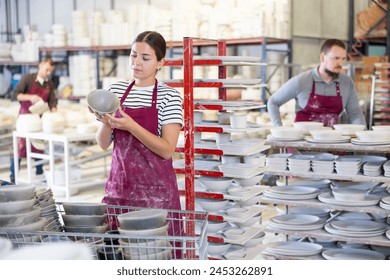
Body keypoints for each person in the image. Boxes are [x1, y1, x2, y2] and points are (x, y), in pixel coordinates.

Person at [94, 31, 183, 248]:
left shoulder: (169, 97)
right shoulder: (115, 91)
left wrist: (132, 126)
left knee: (156, 254)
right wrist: (106, 123)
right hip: (120, 189)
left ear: (160, 62)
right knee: (119, 253)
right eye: (133, 55)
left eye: (145, 58)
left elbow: (167, 149)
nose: (136, 63)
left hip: (156, 193)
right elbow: (103, 143)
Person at [267, 39, 366, 128]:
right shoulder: (301, 81)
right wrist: (278, 128)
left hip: (331, 142)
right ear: (322, 58)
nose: (340, 63)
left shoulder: (347, 83)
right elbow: (273, 102)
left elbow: (355, 114)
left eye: (343, 59)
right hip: (302, 144)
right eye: (336, 58)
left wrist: (362, 137)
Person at [10, 58, 57, 183]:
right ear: (40, 65)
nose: (48, 73)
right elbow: (15, 94)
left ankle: (40, 174)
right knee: (20, 147)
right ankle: (13, 176)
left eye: (50, 71)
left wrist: (54, 112)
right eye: (46, 69)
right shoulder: (28, 79)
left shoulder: (49, 84)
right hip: (25, 119)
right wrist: (30, 97)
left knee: (38, 146)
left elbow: (53, 100)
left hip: (39, 120)